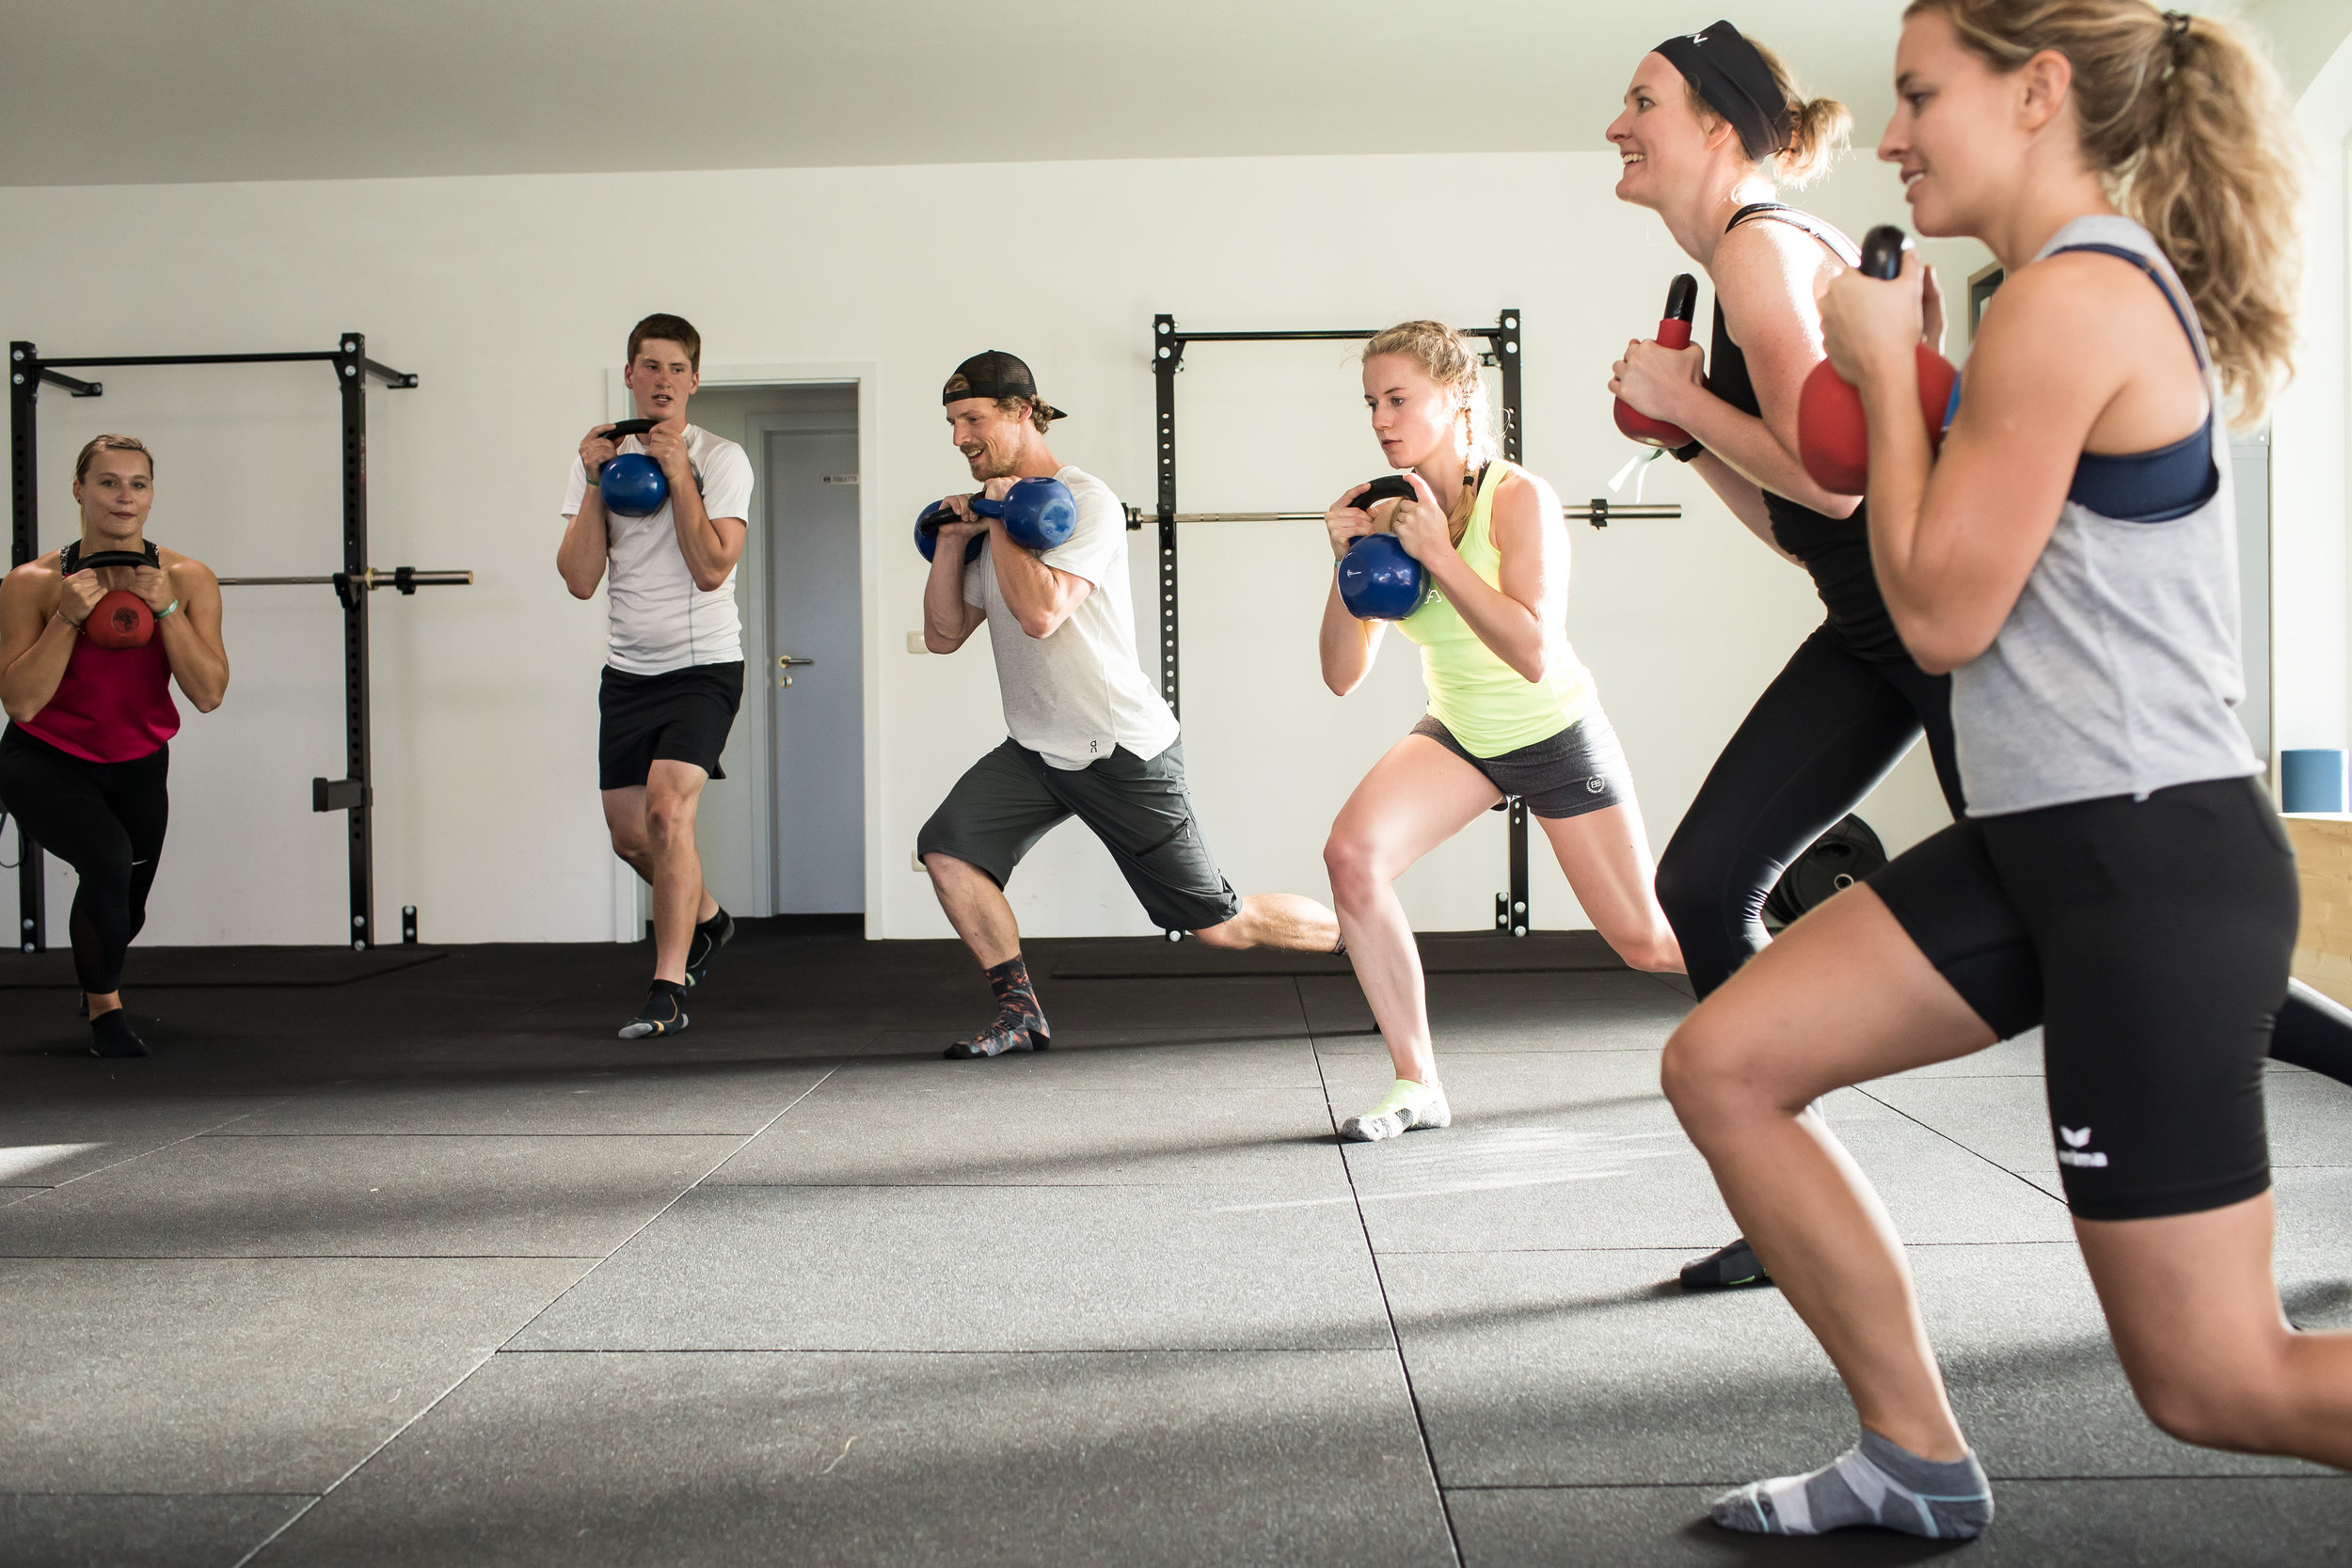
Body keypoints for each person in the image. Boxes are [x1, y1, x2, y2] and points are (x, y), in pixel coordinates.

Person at [1662, 0, 2352, 1540]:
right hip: (2044, 847)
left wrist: (1891, 371)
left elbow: (1937, 608)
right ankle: (1911, 1453)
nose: (1889, 135)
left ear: (2039, 91)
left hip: (2146, 860)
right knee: (1727, 1065)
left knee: (2217, 1378)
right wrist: (1866, 393)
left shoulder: (2076, 295)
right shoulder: (2043, 296)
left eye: (1919, 95)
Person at [918, 351, 1342, 1059]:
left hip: (1118, 746)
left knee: (1221, 923)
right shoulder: (993, 517)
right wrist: (953, 541)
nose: (959, 437)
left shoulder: (1085, 502)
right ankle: (1019, 1011)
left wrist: (996, 515)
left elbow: (1043, 612)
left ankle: (1357, 934)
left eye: (972, 419)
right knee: (949, 849)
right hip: (1037, 747)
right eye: (953, 423)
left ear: (1022, 412)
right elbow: (942, 634)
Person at [1321, 322, 1683, 1142]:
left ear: (1456, 398)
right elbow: (1343, 675)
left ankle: (1789, 992)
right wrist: (1341, 567)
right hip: (1462, 733)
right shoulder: (1390, 513)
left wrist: (1442, 560)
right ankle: (1418, 1082)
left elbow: (1532, 651)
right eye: (1372, 403)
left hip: (1552, 730)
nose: (1382, 419)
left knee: (1648, 941)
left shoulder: (1521, 499)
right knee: (1353, 856)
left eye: (1399, 399)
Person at [0, 436, 227, 1057]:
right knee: (107, 855)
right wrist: (66, 618)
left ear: (151, 494)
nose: (123, 496)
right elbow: (20, 701)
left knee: (126, 905)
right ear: (78, 489)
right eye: (107, 482)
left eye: (137, 483)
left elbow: (208, 694)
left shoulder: (188, 578)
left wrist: (169, 611)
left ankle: (95, 973)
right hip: (45, 755)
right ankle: (106, 1016)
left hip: (138, 764)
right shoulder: (30, 584)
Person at [558, 313, 750, 1039]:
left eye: (676, 368)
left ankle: (668, 986)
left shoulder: (723, 459)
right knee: (631, 835)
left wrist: (676, 472)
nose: (662, 379)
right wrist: (594, 481)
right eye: (650, 366)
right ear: (630, 376)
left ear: (693, 381)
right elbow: (580, 580)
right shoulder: (598, 460)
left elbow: (709, 568)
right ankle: (708, 918)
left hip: (704, 668)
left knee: (670, 814)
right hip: (629, 671)